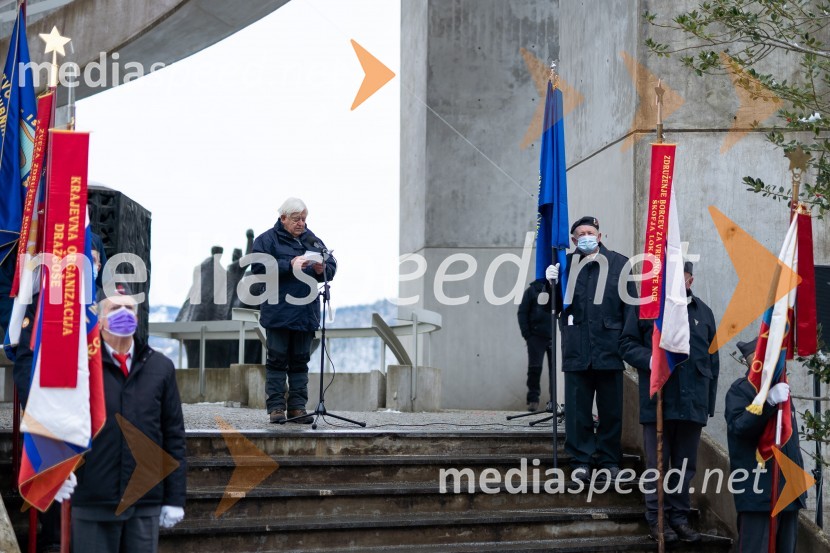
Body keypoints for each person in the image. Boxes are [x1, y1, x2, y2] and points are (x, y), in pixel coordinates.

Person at [71, 288, 187, 553]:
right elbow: (61, 423)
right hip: (93, 499)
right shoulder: (80, 365)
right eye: (114, 308)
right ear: (99, 319)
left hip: (144, 501)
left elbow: (173, 436)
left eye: (130, 309)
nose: (124, 314)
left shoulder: (160, 367)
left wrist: (175, 498)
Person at [619, 261, 719, 543]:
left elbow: (713, 361)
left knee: (685, 467)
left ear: (690, 279)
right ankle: (656, 518)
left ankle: (679, 517)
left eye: (682, 277)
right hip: (659, 402)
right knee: (657, 465)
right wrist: (650, 361)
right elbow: (625, 344)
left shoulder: (704, 313)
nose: (676, 282)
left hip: (692, 405)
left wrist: (707, 405)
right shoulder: (648, 308)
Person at [546, 216, 635, 482]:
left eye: (590, 232)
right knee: (577, 409)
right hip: (576, 348)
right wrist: (547, 283)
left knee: (611, 410)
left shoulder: (619, 263)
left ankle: (609, 458)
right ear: (573, 240)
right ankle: (581, 459)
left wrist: (626, 344)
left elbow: (630, 307)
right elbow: (550, 308)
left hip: (610, 348)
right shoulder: (564, 265)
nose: (586, 236)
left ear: (599, 235)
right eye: (580, 233)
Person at [251, 197, 337, 424]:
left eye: (304, 219)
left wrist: (323, 267)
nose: (301, 223)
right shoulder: (265, 240)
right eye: (297, 219)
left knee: (300, 361)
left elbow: (332, 263)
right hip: (278, 311)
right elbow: (258, 267)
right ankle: (276, 408)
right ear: (283, 218)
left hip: (305, 312)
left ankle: (298, 408)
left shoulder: (312, 240)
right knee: (277, 361)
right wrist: (289, 265)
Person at [725, 337, 805, 553]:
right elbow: (740, 428)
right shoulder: (741, 390)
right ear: (753, 362)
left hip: (788, 491)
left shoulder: (782, 390)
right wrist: (767, 402)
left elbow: (790, 442)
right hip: (758, 494)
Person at [517, 278, 552, 411]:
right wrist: (528, 335)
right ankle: (533, 400)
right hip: (536, 337)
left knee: (554, 372)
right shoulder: (531, 291)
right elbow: (522, 312)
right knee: (535, 369)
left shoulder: (557, 289)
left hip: (553, 336)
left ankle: (553, 402)